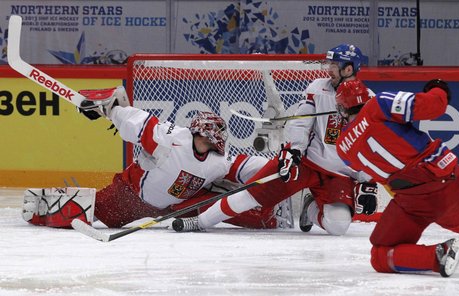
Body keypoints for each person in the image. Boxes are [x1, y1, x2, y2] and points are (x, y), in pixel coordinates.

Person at [173, 44, 378, 234]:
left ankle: (310, 209)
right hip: (306, 161)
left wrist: (368, 181)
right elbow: (301, 122)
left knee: (339, 226)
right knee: (251, 194)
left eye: (334, 65)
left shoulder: (369, 100)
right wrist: (294, 150)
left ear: (348, 69)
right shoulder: (318, 88)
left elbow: (369, 145)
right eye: (329, 63)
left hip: (339, 174)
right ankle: (200, 222)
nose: (329, 69)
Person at [22, 86, 293, 230]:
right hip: (132, 195)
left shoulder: (217, 162)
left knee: (221, 204)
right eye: (212, 135)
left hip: (174, 208)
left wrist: (281, 164)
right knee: (100, 215)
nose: (215, 140)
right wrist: (111, 110)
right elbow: (140, 123)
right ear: (201, 133)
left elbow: (246, 166)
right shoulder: (171, 140)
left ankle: (271, 213)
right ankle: (43, 207)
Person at [334, 78, 459, 277]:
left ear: (343, 110)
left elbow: (360, 165)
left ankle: (438, 255)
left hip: (413, 199)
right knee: (458, 218)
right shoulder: (378, 104)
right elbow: (433, 106)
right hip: (447, 182)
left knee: (380, 256)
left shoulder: (342, 148)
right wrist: (438, 88)